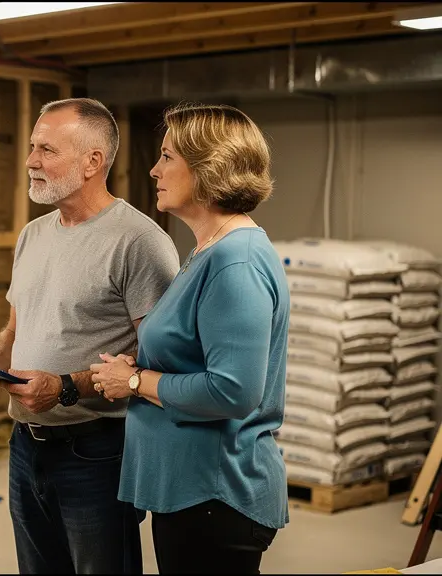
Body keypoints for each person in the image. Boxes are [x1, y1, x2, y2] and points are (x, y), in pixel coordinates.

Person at [0, 98, 180, 574]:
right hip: (25, 445)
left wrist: (64, 386)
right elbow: (17, 327)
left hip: (97, 450)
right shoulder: (33, 234)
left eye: (47, 150)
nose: (32, 160)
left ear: (93, 162)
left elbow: (157, 362)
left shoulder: (140, 242)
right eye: (33, 147)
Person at [90, 102, 289, 574]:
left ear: (208, 168)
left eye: (167, 157)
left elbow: (233, 390)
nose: (155, 169)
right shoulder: (209, 251)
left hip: (215, 495)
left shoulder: (234, 263)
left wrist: (135, 382)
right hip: (192, 491)